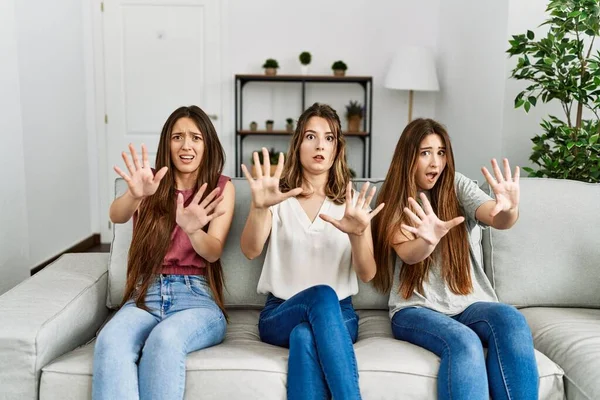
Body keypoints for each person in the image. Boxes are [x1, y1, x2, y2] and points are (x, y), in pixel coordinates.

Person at [371, 118, 538, 400]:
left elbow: (496, 218)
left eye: (441, 152)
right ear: (408, 156)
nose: (435, 162)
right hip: (415, 309)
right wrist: (427, 240)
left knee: (511, 319)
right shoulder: (393, 198)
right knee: (465, 342)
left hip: (469, 304)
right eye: (425, 153)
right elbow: (409, 255)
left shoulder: (457, 185)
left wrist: (509, 209)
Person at [240, 103, 384, 400]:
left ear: (337, 149)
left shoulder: (352, 203)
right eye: (311, 136)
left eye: (329, 138)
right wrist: (259, 207)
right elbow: (250, 250)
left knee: (304, 335)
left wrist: (357, 234)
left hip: (340, 316)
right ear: (298, 144)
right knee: (320, 295)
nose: (320, 145)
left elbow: (368, 273)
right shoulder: (277, 197)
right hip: (280, 312)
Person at [92, 105, 235, 400]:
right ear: (166, 144)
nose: (186, 145)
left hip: (196, 298)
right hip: (146, 295)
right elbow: (116, 215)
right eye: (177, 137)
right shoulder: (150, 182)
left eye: (196, 138)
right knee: (109, 341)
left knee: (165, 339)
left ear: (207, 144)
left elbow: (213, 252)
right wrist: (134, 194)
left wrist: (194, 230)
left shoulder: (222, 187)